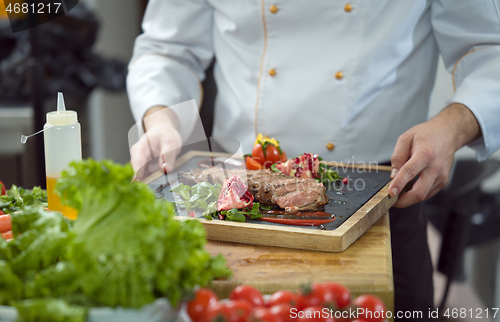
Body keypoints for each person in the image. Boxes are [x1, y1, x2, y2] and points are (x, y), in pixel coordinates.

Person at [127, 0, 500, 318]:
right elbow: (166, 48)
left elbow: (489, 51)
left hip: (382, 202)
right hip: (233, 206)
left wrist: (451, 127)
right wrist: (161, 119)